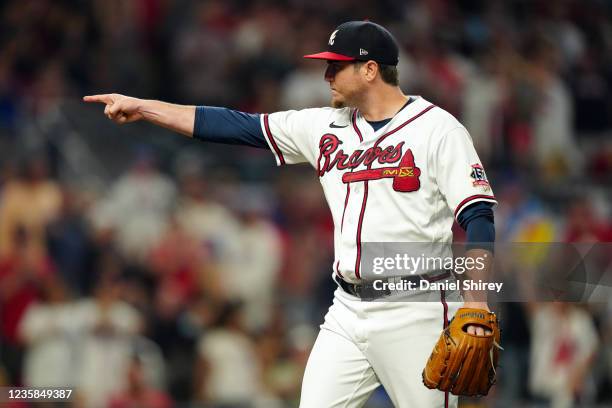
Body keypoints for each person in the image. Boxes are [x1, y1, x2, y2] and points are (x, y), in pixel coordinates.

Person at [84, 20, 497, 408]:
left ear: (371, 69)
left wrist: (476, 300)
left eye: (337, 66)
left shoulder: (438, 130)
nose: (326, 76)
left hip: (417, 307)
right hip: (348, 310)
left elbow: (478, 216)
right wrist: (144, 107)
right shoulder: (324, 128)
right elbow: (233, 125)